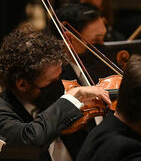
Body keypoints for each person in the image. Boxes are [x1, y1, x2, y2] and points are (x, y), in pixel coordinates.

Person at [0, 28, 111, 161]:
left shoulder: (57, 102)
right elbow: (31, 138)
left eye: (60, 77)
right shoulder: (3, 110)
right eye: (52, 82)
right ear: (22, 85)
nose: (61, 86)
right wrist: (71, 97)